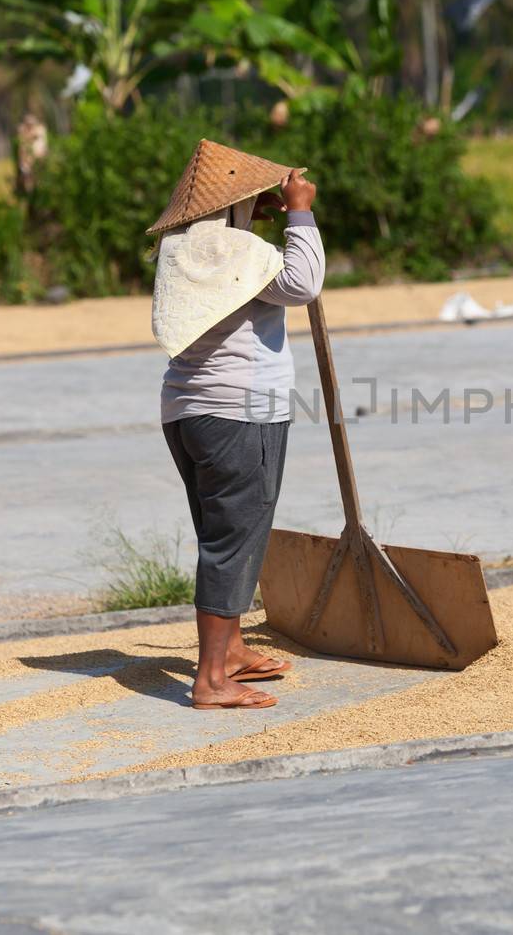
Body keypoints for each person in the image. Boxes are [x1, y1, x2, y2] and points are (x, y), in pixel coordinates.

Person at [149, 140, 324, 710]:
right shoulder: (238, 253)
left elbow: (238, 256)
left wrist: (252, 218)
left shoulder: (184, 249)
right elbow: (302, 283)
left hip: (188, 412)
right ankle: (211, 680)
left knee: (223, 532)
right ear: (231, 209)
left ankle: (230, 651)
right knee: (232, 539)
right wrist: (300, 213)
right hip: (239, 412)